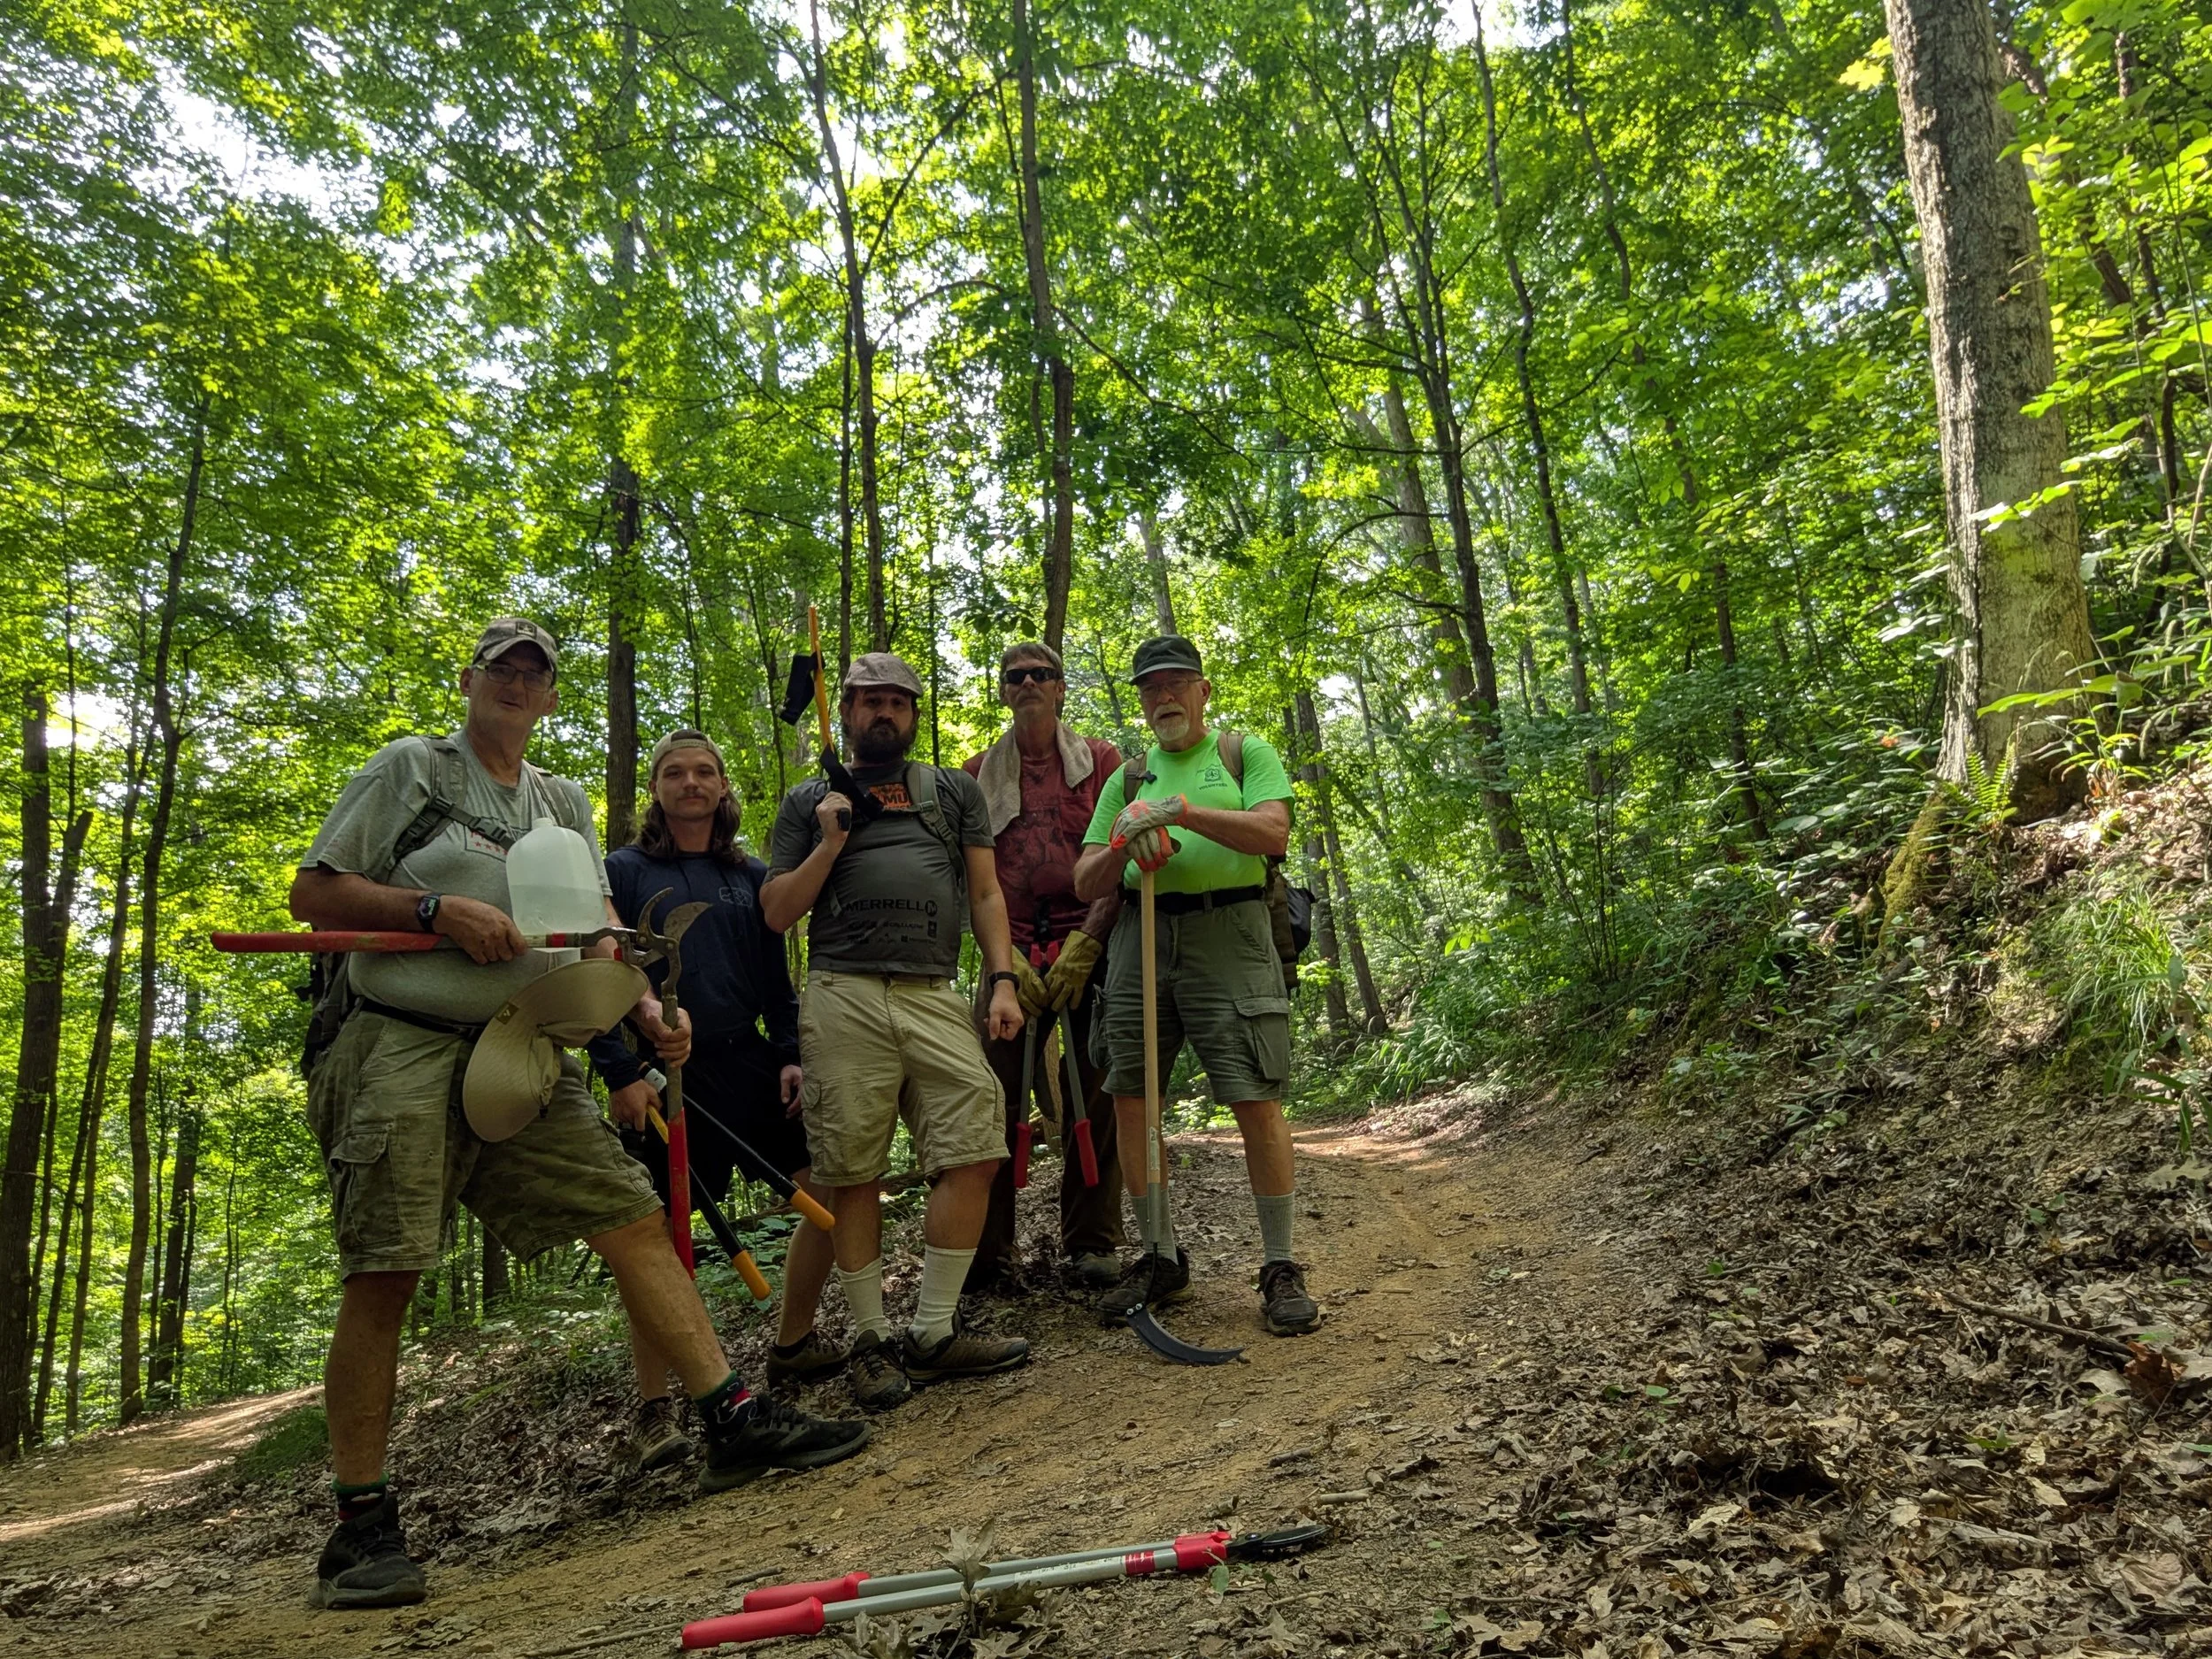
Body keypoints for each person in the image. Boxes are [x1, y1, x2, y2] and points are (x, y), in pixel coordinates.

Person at [290, 619, 867, 1611]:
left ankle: (730, 1422)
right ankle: (361, 1527)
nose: (517, 685)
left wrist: (642, 1013)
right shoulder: (411, 772)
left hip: (530, 1043)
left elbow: (595, 936)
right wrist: (435, 913)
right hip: (400, 1040)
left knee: (633, 1217)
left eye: (534, 675)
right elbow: (312, 891)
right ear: (470, 681)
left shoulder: (558, 800)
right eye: (501, 670)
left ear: (551, 697)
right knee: (387, 1267)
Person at [760, 651, 1031, 1411]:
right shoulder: (809, 799)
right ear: (844, 711)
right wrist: (830, 840)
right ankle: (872, 1339)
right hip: (842, 991)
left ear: (914, 714)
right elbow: (778, 911)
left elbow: (984, 890)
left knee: (977, 1143)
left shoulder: (952, 791)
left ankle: (934, 1332)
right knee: (851, 1168)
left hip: (934, 990)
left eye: (897, 702)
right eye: (868, 700)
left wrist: (1001, 979)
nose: (883, 712)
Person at [588, 729, 846, 1474]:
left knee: (820, 1188)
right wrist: (616, 1069)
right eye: (675, 772)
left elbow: (775, 979)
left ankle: (792, 1345)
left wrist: (790, 1052)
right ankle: (655, 1409)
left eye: (704, 771)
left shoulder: (751, 874)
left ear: (723, 786)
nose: (691, 783)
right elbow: (596, 977)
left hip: (747, 1063)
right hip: (659, 1076)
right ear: (656, 789)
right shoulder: (623, 871)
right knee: (659, 1242)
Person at [1071, 634, 1321, 1338]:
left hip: (1232, 934)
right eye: (1151, 688)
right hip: (1139, 941)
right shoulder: (1125, 778)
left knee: (1254, 1093)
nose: (1164, 697)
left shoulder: (1244, 753)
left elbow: (1272, 833)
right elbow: (1085, 877)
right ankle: (1159, 1254)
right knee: (1130, 1096)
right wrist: (1125, 835)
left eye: (1177, 683)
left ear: (1203, 690)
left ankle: (1279, 1264)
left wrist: (1179, 812)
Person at [960, 642, 1126, 1293]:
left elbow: (1118, 857)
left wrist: (1088, 943)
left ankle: (1092, 1243)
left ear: (1061, 688)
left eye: (1042, 674)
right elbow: (973, 880)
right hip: (1009, 960)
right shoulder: (976, 773)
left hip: (1092, 944)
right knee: (989, 1100)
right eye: (1015, 676)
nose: (1028, 683)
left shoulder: (1102, 763)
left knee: (1101, 1091)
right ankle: (989, 1251)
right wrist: (1000, 965)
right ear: (1003, 691)